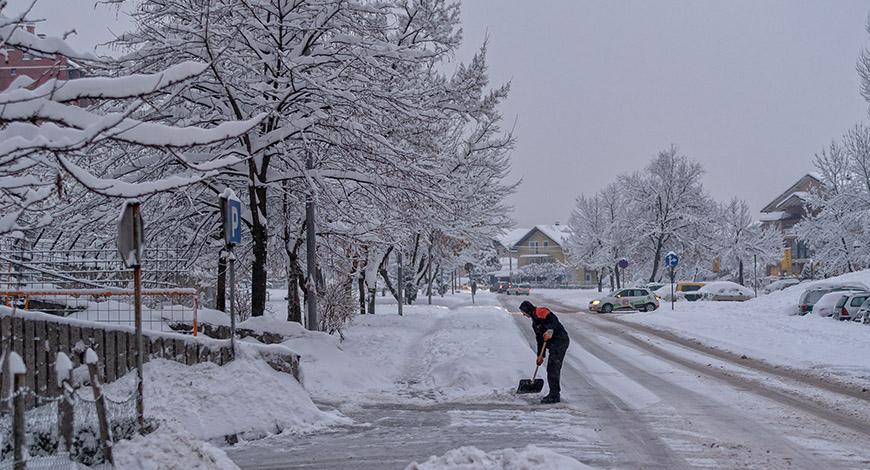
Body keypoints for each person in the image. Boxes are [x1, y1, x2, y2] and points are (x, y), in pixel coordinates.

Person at [519, 300, 570, 404]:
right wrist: (540, 355)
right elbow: (540, 340)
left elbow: (553, 321)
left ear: (527, 310)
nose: (523, 315)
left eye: (523, 312)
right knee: (551, 369)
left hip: (560, 341)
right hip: (553, 344)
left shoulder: (541, 311)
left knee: (553, 368)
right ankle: (554, 393)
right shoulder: (535, 322)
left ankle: (554, 395)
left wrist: (550, 330)